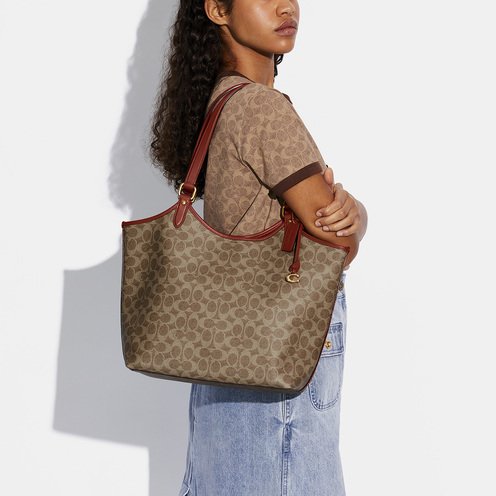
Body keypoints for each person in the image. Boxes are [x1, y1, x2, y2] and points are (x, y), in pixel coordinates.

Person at [149, 1, 368, 494]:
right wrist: (358, 214)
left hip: (228, 353)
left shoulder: (224, 99)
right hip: (276, 348)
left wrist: (350, 214)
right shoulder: (260, 107)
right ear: (217, 10)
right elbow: (337, 242)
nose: (286, 6)